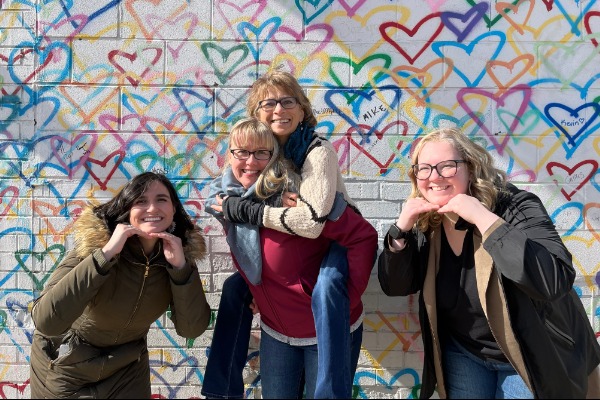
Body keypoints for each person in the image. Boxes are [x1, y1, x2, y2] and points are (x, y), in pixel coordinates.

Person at [377, 127, 600, 399]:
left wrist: (484, 219)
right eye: (424, 169)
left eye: (447, 166)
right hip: (465, 354)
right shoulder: (427, 223)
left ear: (470, 168)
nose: (434, 177)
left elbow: (554, 279)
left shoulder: (515, 206)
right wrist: (399, 232)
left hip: (528, 356)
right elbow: (397, 287)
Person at [202, 116, 377, 399]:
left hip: (324, 334)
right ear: (230, 156)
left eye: (262, 153)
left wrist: (345, 298)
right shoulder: (228, 200)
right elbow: (250, 256)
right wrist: (257, 289)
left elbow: (363, 237)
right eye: (242, 152)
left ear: (274, 157)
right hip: (277, 333)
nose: (250, 161)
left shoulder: (300, 200)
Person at [29, 172, 211, 398]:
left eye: (161, 200)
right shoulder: (95, 247)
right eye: (141, 201)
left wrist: (181, 269)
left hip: (127, 366)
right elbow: (46, 321)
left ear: (173, 208)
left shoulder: (178, 257)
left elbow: (192, 329)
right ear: (127, 209)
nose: (152, 208)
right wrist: (105, 255)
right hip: (68, 364)